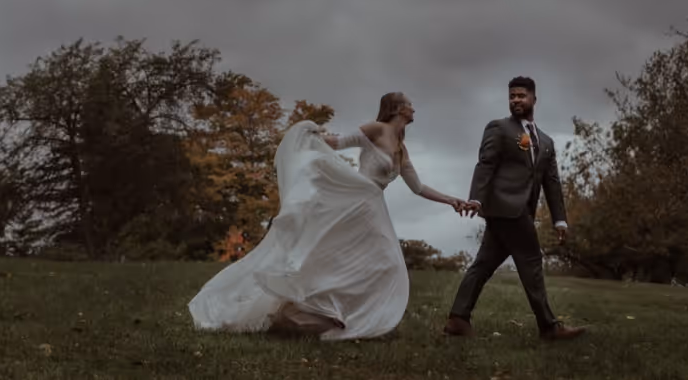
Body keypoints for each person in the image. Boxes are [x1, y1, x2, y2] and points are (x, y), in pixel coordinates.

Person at [188, 92, 474, 341]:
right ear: (398, 108)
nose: (414, 109)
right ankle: (326, 311)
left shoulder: (402, 146)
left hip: (375, 207)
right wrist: (311, 136)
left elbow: (418, 187)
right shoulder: (376, 128)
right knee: (363, 260)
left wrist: (452, 201)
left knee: (383, 263)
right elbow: (338, 143)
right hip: (356, 202)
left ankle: (350, 314)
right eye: (410, 104)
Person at [444, 76, 587, 341]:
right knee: (532, 262)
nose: (516, 100)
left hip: (517, 212)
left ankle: (457, 319)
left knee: (483, 264)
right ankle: (549, 327)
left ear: (534, 99)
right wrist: (476, 198)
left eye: (521, 96)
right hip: (505, 207)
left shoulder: (545, 142)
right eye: (512, 96)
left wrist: (560, 220)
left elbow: (551, 182)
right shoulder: (499, 128)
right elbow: (485, 164)